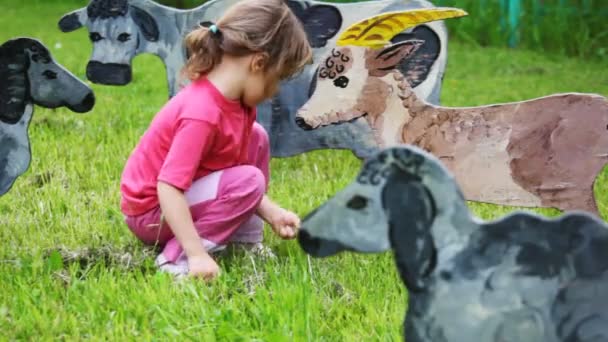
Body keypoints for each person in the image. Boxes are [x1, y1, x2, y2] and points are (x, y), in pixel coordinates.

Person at [119, 0, 312, 281]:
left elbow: (229, 172)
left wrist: (272, 212)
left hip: (182, 199)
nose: (275, 91)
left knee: (256, 138)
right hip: (153, 214)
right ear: (258, 63)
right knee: (249, 179)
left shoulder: (239, 106)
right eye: (277, 78)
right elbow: (168, 187)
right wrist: (196, 253)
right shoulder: (203, 113)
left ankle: (243, 241)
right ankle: (177, 259)